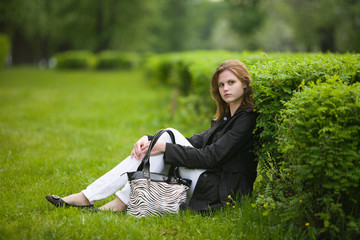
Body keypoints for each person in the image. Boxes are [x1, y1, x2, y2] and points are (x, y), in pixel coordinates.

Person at [45, 59, 258, 212]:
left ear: (245, 84)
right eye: (221, 85)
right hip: (208, 180)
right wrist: (150, 139)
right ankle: (93, 198)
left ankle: (98, 200)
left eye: (231, 83)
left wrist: (163, 145)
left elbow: (211, 157)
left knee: (168, 137)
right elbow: (197, 142)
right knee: (161, 141)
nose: (225, 89)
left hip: (221, 191)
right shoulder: (227, 118)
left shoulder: (246, 119)